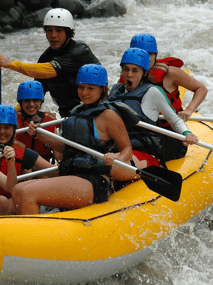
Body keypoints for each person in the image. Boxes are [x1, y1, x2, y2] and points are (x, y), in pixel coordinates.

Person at [12, 64, 136, 215]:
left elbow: (127, 149)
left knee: (27, 193)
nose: (84, 93)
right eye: (81, 87)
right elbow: (67, 149)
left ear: (102, 89)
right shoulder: (77, 112)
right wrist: (40, 135)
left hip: (93, 180)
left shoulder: (108, 115)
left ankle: (33, 237)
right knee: (18, 189)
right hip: (71, 174)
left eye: (91, 88)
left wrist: (116, 157)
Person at [0, 8, 100, 118]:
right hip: (67, 113)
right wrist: (8, 116)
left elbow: (50, 70)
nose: (53, 35)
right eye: (49, 30)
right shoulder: (46, 57)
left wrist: (10, 64)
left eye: (58, 30)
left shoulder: (79, 50)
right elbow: (36, 93)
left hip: (94, 110)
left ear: (68, 32)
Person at [109, 47, 199, 168]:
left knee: (112, 166)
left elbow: (174, 119)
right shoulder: (116, 90)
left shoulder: (153, 92)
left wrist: (187, 133)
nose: (129, 74)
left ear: (145, 73)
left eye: (135, 70)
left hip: (146, 148)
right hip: (121, 144)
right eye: (126, 69)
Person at [0, 104, 57, 215]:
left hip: (7, 200)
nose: (2, 132)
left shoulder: (22, 151)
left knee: (26, 188)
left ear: (14, 129)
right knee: (1, 201)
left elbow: (53, 171)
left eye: (7, 128)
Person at [128, 33, 208, 122]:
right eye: (139, 55)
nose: (144, 59)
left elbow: (201, 89)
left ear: (156, 55)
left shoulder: (170, 73)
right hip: (142, 124)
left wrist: (189, 110)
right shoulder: (128, 73)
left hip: (169, 125)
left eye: (149, 54)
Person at [15, 80, 62, 162]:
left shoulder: (49, 121)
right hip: (20, 167)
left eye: (35, 100)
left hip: (43, 169)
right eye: (27, 100)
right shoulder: (13, 120)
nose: (32, 104)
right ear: (20, 102)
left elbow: (58, 156)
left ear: (41, 101)